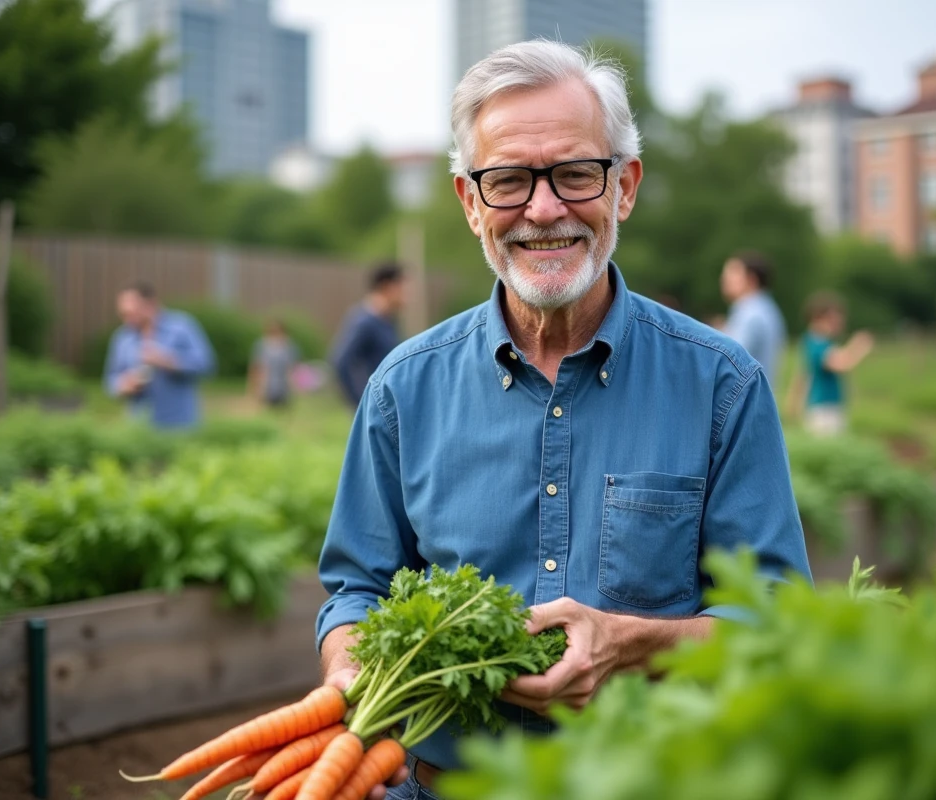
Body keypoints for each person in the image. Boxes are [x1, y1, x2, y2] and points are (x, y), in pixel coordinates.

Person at [315, 41, 811, 799]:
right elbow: (357, 588)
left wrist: (633, 644)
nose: (543, 211)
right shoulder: (402, 389)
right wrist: (350, 669)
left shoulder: (721, 384)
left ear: (625, 186)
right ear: (470, 201)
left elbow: (775, 618)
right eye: (508, 180)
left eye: (576, 173)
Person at [102, 282, 215, 429]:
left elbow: (207, 365)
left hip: (179, 424)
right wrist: (124, 385)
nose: (126, 320)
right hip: (138, 426)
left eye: (132, 313)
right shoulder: (122, 337)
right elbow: (110, 381)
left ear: (151, 305)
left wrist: (168, 361)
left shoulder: (182, 327)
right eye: (123, 314)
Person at [794, 291, 873, 437]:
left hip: (826, 406)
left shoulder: (820, 341)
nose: (840, 322)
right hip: (823, 409)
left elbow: (803, 374)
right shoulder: (817, 342)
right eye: (836, 317)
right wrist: (859, 347)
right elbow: (841, 364)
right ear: (821, 317)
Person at [330, 263, 407, 408]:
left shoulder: (388, 320)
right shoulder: (364, 321)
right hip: (375, 412)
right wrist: (363, 403)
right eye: (402, 288)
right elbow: (340, 362)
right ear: (387, 286)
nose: (407, 294)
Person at [720, 250, 787, 385]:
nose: (723, 279)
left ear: (751, 279)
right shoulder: (767, 308)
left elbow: (729, 360)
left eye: (732, 274)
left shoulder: (750, 313)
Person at [248, 320, 299, 408]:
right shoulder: (261, 345)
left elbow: (292, 367)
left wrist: (294, 386)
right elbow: (256, 367)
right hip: (266, 386)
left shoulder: (289, 346)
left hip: (284, 387)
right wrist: (254, 387)